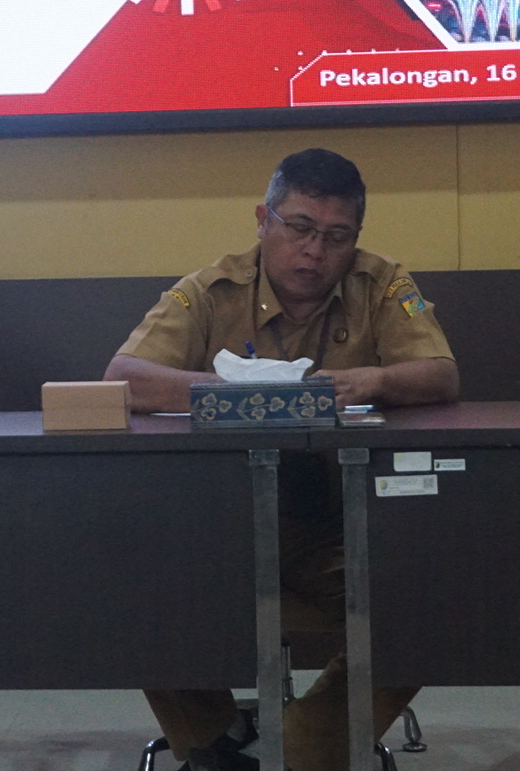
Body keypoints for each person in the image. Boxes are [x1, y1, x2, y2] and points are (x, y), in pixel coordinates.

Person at [105, 148, 458, 771]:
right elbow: (124, 377)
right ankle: (216, 743)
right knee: (136, 592)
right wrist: (237, 391)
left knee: (425, 607)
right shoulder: (210, 290)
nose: (314, 251)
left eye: (336, 237)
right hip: (218, 521)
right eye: (299, 228)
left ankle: (299, 749)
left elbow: (441, 374)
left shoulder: (383, 285)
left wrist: (376, 379)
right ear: (263, 220)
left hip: (340, 523)